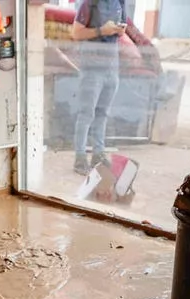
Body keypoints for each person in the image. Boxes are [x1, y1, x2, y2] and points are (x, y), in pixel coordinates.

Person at [70, 0, 127, 176]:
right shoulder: (89, 3)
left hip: (111, 66)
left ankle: (98, 154)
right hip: (92, 68)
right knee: (86, 114)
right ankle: (80, 159)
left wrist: (119, 30)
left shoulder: (120, 2)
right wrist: (102, 30)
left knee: (103, 113)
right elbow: (76, 33)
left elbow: (123, 29)